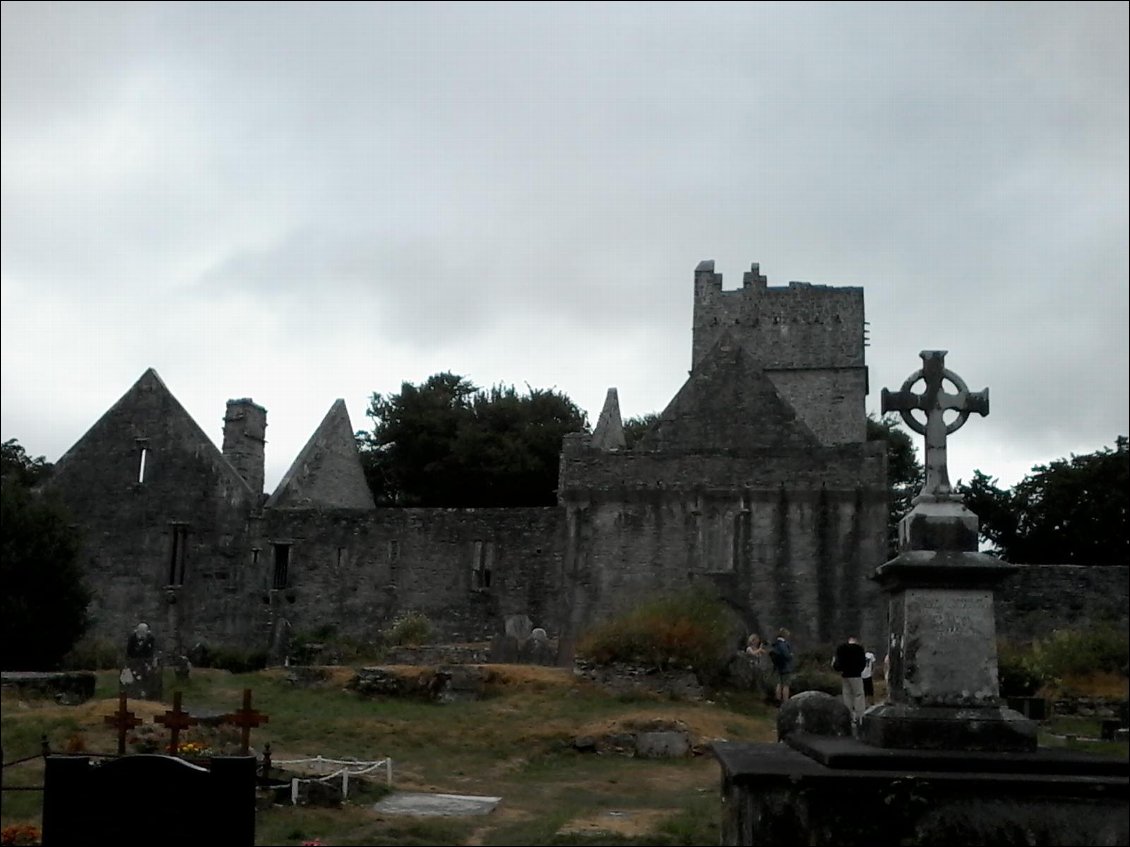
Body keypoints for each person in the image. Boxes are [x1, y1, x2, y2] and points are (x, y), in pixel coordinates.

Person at [832, 635, 867, 724]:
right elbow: (863, 663)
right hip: (856, 675)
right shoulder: (859, 649)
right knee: (858, 694)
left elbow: (837, 662)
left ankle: (848, 715)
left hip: (845, 675)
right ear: (856, 640)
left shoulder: (842, 648)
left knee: (847, 695)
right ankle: (860, 716)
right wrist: (859, 670)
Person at [768, 628, 795, 704]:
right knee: (786, 684)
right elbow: (786, 655)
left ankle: (778, 699)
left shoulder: (775, 643)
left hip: (778, 666)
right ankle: (785, 701)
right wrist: (790, 656)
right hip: (785, 667)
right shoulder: (783, 644)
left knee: (779, 683)